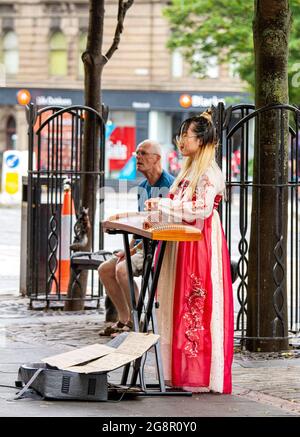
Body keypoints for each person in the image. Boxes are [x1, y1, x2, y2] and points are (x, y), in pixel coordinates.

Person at [144, 109, 234, 394]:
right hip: (181, 240)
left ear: (201, 140)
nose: (180, 141)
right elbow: (172, 203)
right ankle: (178, 372)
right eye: (180, 135)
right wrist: (158, 209)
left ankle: (199, 373)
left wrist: (164, 207)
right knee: (178, 302)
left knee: (195, 304)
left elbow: (202, 209)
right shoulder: (189, 169)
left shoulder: (209, 172)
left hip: (199, 242)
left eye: (186, 136)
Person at [98, 139, 174, 336]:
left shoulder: (170, 186)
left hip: (158, 248)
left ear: (157, 158)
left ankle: (137, 321)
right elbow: (141, 225)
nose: (137, 157)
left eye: (143, 153)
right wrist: (129, 250)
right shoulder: (142, 187)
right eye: (137, 153)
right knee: (105, 269)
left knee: (122, 269)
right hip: (142, 246)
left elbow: (166, 226)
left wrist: (134, 251)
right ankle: (125, 320)